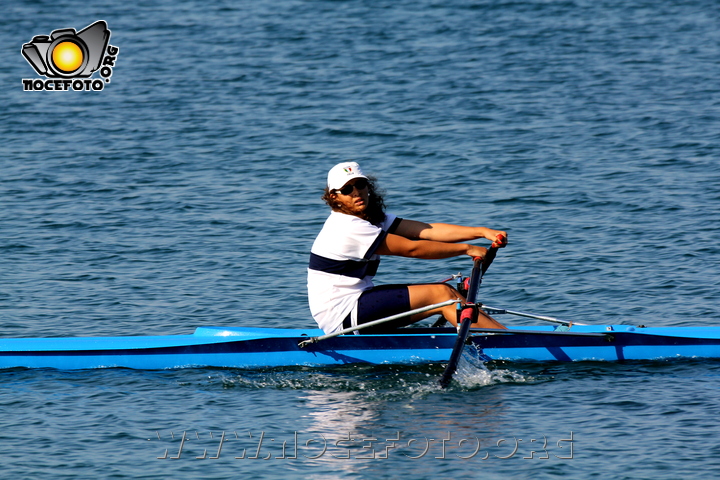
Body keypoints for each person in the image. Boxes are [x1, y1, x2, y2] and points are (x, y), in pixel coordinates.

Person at [307, 161, 508, 335]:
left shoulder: (371, 219)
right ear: (334, 197)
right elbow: (412, 249)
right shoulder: (347, 226)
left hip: (359, 301)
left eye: (360, 185)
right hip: (341, 314)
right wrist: (467, 249)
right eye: (347, 190)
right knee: (442, 295)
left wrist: (481, 232)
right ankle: (510, 342)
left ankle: (502, 336)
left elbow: (426, 231)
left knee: (448, 295)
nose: (356, 192)